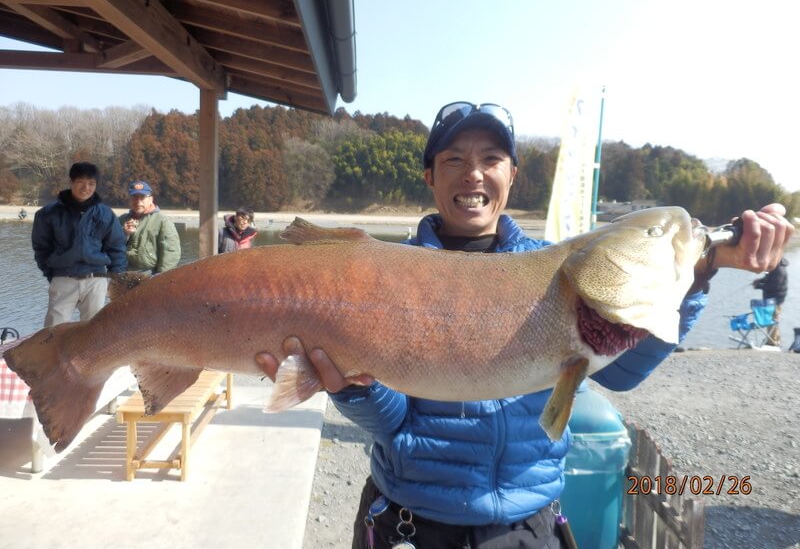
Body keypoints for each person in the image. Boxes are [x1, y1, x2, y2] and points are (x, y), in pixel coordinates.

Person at [255, 102, 794, 548]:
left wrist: (700, 274)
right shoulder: (385, 277)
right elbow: (394, 427)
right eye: (453, 159)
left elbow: (621, 375)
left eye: (492, 158)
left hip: (528, 526)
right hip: (412, 525)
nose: (473, 173)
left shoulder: (558, 268)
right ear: (429, 175)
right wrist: (351, 389)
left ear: (512, 175)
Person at [32, 162, 127, 327]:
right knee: (53, 331)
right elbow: (41, 248)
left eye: (92, 183)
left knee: (95, 331)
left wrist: (114, 280)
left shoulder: (105, 214)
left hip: (96, 280)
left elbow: (117, 248)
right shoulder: (48, 214)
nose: (86, 187)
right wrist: (52, 273)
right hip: (63, 278)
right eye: (81, 182)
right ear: (71, 182)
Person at [119, 180, 181, 274]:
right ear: (130, 199)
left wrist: (159, 278)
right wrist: (124, 234)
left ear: (151, 199)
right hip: (123, 274)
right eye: (135, 197)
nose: (138, 202)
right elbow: (109, 247)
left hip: (149, 275)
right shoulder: (121, 220)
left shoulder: (162, 221)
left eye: (142, 198)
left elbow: (171, 253)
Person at [752, 257, 789, 346]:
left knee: (771, 320)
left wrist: (758, 286)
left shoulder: (778, 270)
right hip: (773, 300)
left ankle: (772, 342)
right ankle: (775, 340)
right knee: (774, 319)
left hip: (775, 300)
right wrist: (760, 281)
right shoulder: (775, 267)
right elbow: (768, 278)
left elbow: (773, 286)